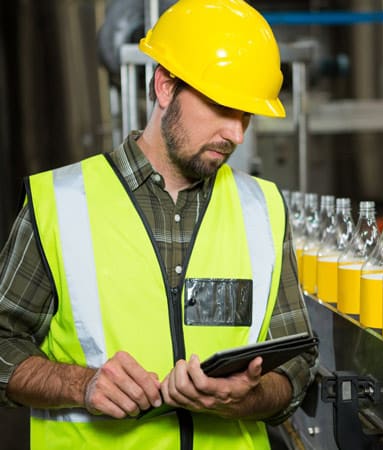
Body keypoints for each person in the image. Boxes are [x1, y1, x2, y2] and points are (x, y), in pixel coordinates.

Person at [0, 0, 317, 448]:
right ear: (165, 87)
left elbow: (297, 362)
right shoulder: (62, 203)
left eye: (246, 114)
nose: (237, 134)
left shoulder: (261, 208)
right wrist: (81, 385)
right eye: (223, 107)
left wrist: (247, 397)